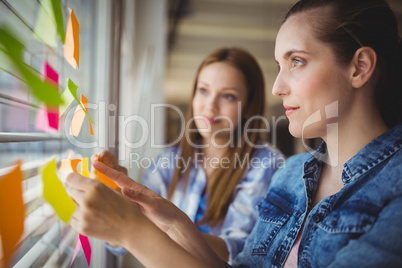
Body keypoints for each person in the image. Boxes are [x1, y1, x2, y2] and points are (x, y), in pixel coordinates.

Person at [66, 0, 402, 267]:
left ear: (359, 67)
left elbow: (231, 248)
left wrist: (134, 231)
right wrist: (162, 219)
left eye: (297, 61)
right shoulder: (292, 174)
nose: (278, 87)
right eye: (279, 66)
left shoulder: (273, 164)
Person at [95, 47, 283, 262]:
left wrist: (140, 225)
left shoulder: (267, 163)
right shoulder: (169, 159)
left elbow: (240, 252)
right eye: (203, 90)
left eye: (228, 96)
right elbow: (119, 245)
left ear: (249, 107)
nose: (210, 106)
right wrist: (119, 195)